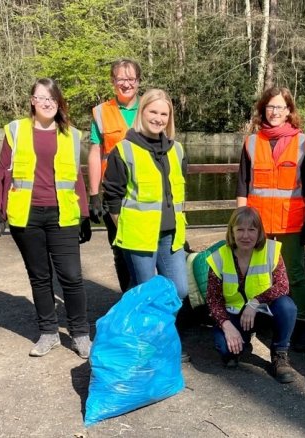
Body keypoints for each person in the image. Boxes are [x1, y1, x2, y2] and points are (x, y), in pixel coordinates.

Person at [0, 78, 92, 359]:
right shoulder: (15, 130)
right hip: (27, 215)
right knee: (40, 276)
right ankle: (48, 333)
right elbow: (2, 171)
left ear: (58, 102)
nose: (47, 103)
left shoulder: (71, 134)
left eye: (52, 98)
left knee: (72, 277)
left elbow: (77, 175)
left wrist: (84, 213)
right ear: (32, 101)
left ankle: (81, 334)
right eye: (41, 97)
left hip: (63, 215)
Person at [102, 88, 190, 360]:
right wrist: (125, 226)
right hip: (138, 236)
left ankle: (157, 336)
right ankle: (152, 347)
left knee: (179, 290)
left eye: (164, 113)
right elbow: (112, 196)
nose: (158, 118)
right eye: (153, 111)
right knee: (145, 291)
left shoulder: (177, 150)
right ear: (142, 112)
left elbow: (179, 191)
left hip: (170, 235)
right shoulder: (124, 149)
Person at [236, 87, 305, 352]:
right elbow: (243, 187)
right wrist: (240, 223)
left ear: (289, 111)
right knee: (255, 274)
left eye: (281, 107)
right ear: (263, 110)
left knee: (294, 274)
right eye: (270, 107)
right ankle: (254, 320)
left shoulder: (303, 142)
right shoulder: (251, 143)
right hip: (257, 224)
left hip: (290, 224)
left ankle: (304, 324)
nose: (275, 112)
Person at [205, 207, 299, 383]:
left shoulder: (271, 251)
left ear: (259, 232)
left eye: (251, 230)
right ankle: (242, 338)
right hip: (234, 314)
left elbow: (283, 285)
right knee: (226, 351)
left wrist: (255, 302)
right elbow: (213, 300)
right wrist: (227, 326)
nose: (245, 236)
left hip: (263, 311)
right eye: (240, 229)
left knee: (287, 306)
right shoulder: (219, 257)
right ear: (232, 232)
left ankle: (280, 354)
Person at [86, 59, 141, 292]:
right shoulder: (101, 112)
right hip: (114, 194)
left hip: (146, 192)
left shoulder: (151, 107)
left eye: (131, 79)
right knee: (120, 250)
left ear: (138, 81)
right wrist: (95, 194)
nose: (126, 84)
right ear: (112, 81)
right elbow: (95, 153)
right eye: (121, 79)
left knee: (149, 249)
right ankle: (128, 300)